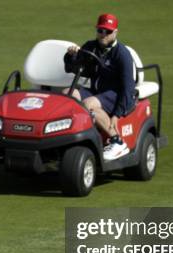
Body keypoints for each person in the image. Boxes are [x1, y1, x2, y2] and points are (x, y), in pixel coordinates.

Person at [63, 13, 136, 161]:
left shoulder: (122, 55)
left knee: (88, 104)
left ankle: (117, 141)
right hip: (97, 91)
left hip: (115, 94)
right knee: (67, 94)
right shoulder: (91, 46)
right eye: (100, 30)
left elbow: (128, 87)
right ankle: (66, 134)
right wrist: (70, 56)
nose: (103, 35)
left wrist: (117, 114)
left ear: (115, 32)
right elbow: (72, 68)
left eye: (108, 32)